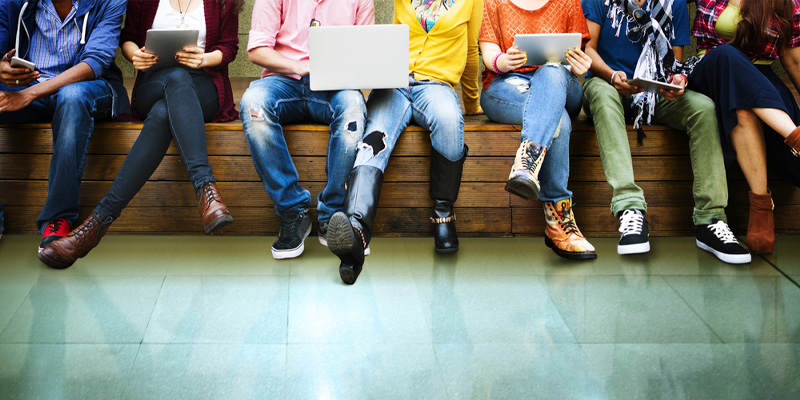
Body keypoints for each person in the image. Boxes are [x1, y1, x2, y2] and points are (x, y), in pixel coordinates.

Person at [38, 0, 242, 269]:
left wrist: (204, 58)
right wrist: (136, 55)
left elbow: (229, 47)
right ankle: (206, 190)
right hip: (154, 83)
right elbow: (128, 38)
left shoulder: (224, 2)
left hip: (202, 86)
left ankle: (96, 225)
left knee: (162, 113)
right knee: (174, 80)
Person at [581, 0, 751, 264]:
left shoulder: (673, 3)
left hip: (652, 90)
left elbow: (674, 62)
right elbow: (587, 48)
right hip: (606, 83)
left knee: (703, 108)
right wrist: (612, 75)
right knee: (603, 97)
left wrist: (677, 81)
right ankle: (630, 209)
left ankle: (711, 219)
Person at [326, 0, 483, 284]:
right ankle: (356, 229)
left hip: (436, 86)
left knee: (449, 120)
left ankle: (443, 214)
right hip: (394, 85)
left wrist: (471, 104)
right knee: (373, 141)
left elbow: (471, 51)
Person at [239, 0, 373, 260]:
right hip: (282, 80)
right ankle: (293, 212)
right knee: (253, 105)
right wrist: (298, 66)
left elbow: (364, 54)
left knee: (354, 107)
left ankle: (333, 213)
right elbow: (256, 50)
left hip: (335, 84)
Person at [0, 0, 130, 252]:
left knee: (71, 96)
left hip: (89, 88)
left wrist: (30, 94)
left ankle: (58, 217)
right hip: (26, 88)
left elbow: (95, 62)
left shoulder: (110, 2)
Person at [479, 0, 597, 260]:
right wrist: (504, 61)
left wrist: (579, 66)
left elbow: (579, 51)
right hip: (507, 85)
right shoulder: (494, 2)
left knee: (552, 70)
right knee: (559, 121)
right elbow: (488, 55)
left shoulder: (568, 2)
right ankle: (559, 223)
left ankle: (526, 162)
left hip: (561, 82)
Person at [689, 0, 800, 254]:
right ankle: (794, 136)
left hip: (760, 80)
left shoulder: (788, 3)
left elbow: (793, 60)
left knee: (742, 107)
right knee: (727, 54)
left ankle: (761, 207)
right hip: (711, 73)